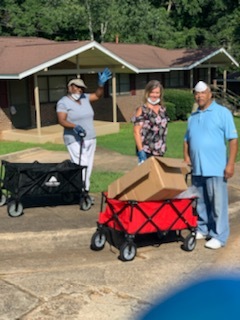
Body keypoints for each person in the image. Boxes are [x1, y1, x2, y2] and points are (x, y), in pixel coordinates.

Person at [184, 81, 238, 249]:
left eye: (202, 93)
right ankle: (203, 227)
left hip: (216, 167)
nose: (199, 96)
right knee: (200, 201)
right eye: (197, 93)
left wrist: (230, 164)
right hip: (197, 167)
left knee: (217, 203)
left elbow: (233, 140)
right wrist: (186, 156)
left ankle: (219, 235)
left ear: (210, 94)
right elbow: (187, 139)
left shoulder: (223, 113)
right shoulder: (192, 116)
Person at [56, 68, 112, 196]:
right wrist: (74, 126)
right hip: (74, 139)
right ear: (70, 87)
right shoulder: (63, 102)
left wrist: (101, 85)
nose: (80, 90)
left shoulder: (85, 98)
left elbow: (97, 95)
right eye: (77, 87)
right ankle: (81, 191)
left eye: (81, 88)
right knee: (82, 164)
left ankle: (83, 190)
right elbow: (61, 120)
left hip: (90, 137)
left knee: (89, 165)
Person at [131, 80, 168, 164]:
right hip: (146, 150)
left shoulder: (162, 109)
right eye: (152, 92)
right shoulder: (142, 110)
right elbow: (136, 131)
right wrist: (140, 150)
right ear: (147, 93)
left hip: (159, 150)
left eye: (157, 93)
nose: (154, 95)